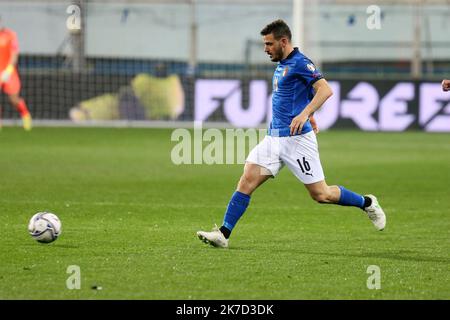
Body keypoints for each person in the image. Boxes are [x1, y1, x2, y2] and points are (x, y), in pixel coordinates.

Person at [197, 19, 386, 248]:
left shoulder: (300, 63)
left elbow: (325, 90)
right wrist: (308, 111)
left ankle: (366, 202)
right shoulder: (281, 64)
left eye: (269, 44)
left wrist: (305, 114)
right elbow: (299, 93)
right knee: (246, 180)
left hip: (297, 141)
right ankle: (223, 234)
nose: (265, 49)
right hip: (273, 138)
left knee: (321, 194)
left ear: (283, 41)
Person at [0, 17, 32, 130]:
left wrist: (7, 71)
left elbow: (14, 55)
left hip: (9, 72)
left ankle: (25, 115)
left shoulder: (10, 35)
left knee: (14, 99)